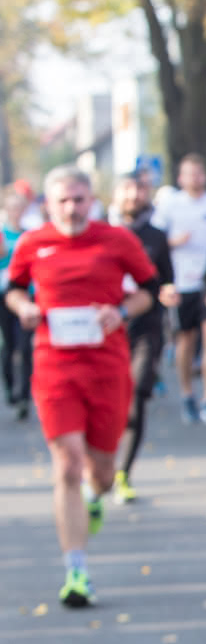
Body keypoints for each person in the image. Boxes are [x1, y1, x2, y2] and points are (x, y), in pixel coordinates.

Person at [5, 166, 160, 607]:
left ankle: (96, 495)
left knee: (102, 472)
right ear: (48, 205)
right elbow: (13, 290)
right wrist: (24, 308)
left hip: (107, 368)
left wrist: (121, 311)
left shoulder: (117, 240)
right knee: (68, 465)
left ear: (91, 201)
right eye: (63, 201)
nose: (71, 208)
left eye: (78, 199)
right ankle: (77, 572)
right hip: (54, 367)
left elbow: (149, 290)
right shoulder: (33, 243)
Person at [108, 174, 179, 503]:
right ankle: (101, 464)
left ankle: (123, 472)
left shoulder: (156, 237)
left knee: (135, 396)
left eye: (139, 189)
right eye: (127, 189)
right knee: (107, 401)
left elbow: (165, 280)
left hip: (146, 327)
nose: (133, 195)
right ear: (115, 194)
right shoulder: (99, 233)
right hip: (103, 330)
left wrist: (168, 292)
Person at [152, 153, 206, 425]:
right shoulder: (170, 206)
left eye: (199, 173)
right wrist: (173, 243)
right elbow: (155, 244)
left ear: (205, 176)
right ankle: (187, 394)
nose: (195, 178)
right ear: (180, 178)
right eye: (190, 174)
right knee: (185, 341)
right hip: (180, 283)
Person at [1, 189, 30, 418]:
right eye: (12, 208)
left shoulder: (30, 236)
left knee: (25, 346)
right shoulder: (2, 234)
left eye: (19, 208)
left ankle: (24, 396)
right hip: (3, 296)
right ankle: (10, 387)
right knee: (9, 345)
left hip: (26, 296)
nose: (16, 212)